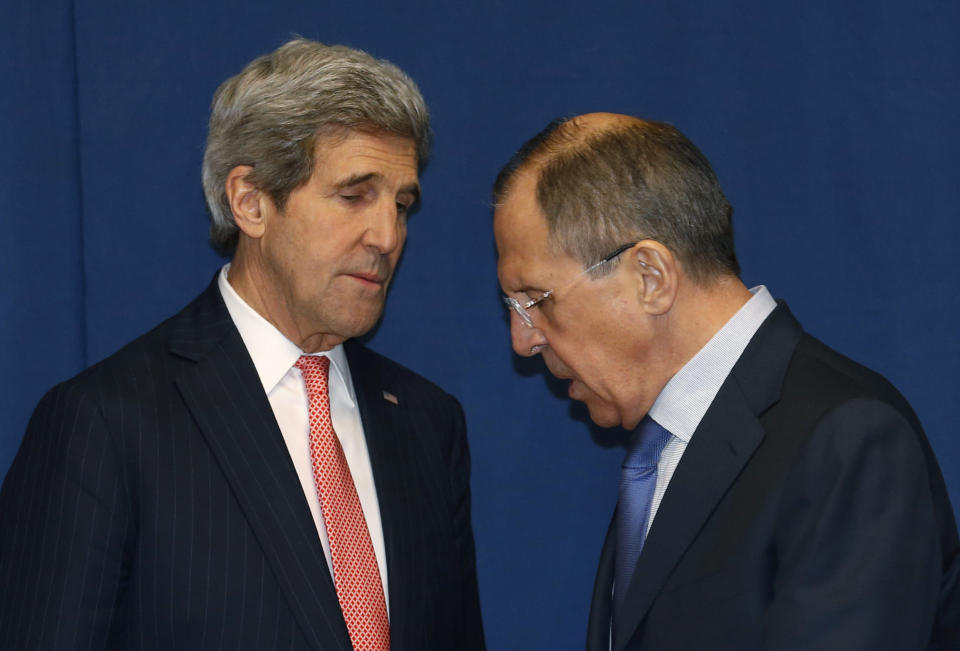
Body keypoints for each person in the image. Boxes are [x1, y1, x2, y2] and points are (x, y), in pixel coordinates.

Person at [0, 38, 484, 650]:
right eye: (354, 195)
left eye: (402, 204)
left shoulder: (427, 423)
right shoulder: (106, 424)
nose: (387, 236)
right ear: (251, 202)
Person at [493, 113, 959, 650]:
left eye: (534, 300)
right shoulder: (666, 447)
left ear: (650, 277)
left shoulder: (848, 440)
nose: (523, 340)